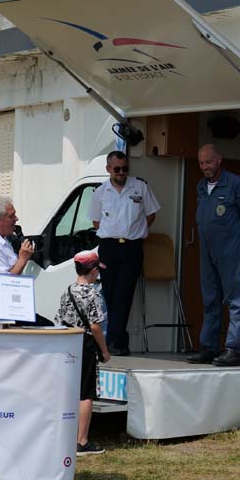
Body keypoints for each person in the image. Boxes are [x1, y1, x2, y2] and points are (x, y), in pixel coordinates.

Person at [186, 144, 240, 367]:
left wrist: (232, 235)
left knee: (235, 300)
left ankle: (233, 350)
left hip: (230, 251)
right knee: (210, 300)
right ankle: (209, 347)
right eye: (201, 163)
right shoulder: (201, 186)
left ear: (219, 159)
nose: (204, 167)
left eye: (208, 162)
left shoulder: (235, 184)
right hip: (207, 252)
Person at [87, 151, 161, 356]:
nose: (121, 173)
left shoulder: (139, 186)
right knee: (110, 295)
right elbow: (96, 221)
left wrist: (136, 231)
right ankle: (119, 342)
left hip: (132, 247)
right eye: (117, 169)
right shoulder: (100, 192)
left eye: (125, 168)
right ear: (108, 169)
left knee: (124, 295)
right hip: (109, 247)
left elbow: (151, 214)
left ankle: (113, 342)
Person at [55, 249, 111, 456]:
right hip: (86, 343)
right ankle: (82, 440)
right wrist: (104, 350)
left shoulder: (67, 290)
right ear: (94, 270)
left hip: (69, 341)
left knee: (70, 390)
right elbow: (95, 326)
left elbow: (60, 318)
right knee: (86, 393)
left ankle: (68, 436)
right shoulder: (93, 293)